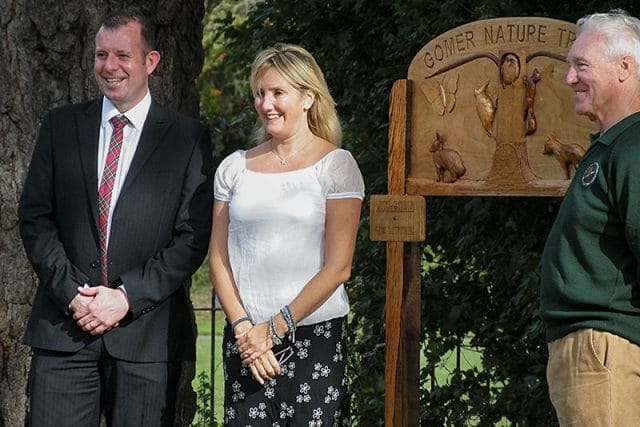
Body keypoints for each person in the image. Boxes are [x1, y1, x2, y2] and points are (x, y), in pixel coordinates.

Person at [17, 8, 213, 426]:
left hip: (148, 338)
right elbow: (36, 218)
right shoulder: (60, 126)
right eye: (101, 55)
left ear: (151, 61)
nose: (110, 67)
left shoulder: (186, 138)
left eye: (123, 55)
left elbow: (192, 237)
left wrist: (126, 297)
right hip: (64, 331)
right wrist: (73, 294)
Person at [209, 43, 364, 425]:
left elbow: (339, 267)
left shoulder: (336, 167)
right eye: (261, 93)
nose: (266, 104)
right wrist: (246, 330)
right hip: (247, 345)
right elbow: (218, 257)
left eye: (279, 93)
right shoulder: (234, 167)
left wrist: (274, 329)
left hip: (314, 341)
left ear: (309, 97)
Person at [540, 9, 640, 426]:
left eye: (581, 65)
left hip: (606, 350)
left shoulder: (633, 147)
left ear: (624, 68)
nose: (569, 79)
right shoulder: (611, 146)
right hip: (593, 353)